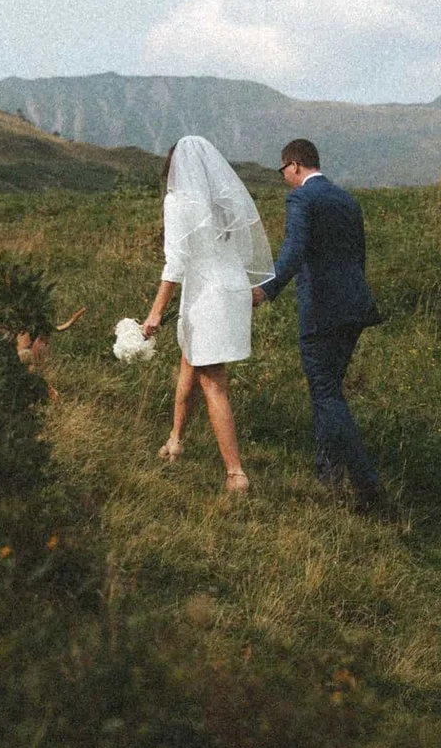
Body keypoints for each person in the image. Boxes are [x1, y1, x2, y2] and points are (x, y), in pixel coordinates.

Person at [253, 138, 386, 511]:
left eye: (283, 170)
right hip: (354, 307)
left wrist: (265, 290)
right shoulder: (347, 199)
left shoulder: (301, 199)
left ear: (294, 165)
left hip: (321, 311)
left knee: (326, 395)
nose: (284, 177)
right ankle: (328, 476)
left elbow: (294, 251)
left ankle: (367, 484)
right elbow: (358, 256)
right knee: (327, 393)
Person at [141, 136, 272, 493]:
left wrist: (154, 314)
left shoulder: (177, 201)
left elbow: (175, 263)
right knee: (190, 362)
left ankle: (235, 474)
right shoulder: (223, 202)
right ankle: (175, 440)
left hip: (207, 297)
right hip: (233, 289)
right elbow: (243, 249)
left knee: (213, 380)